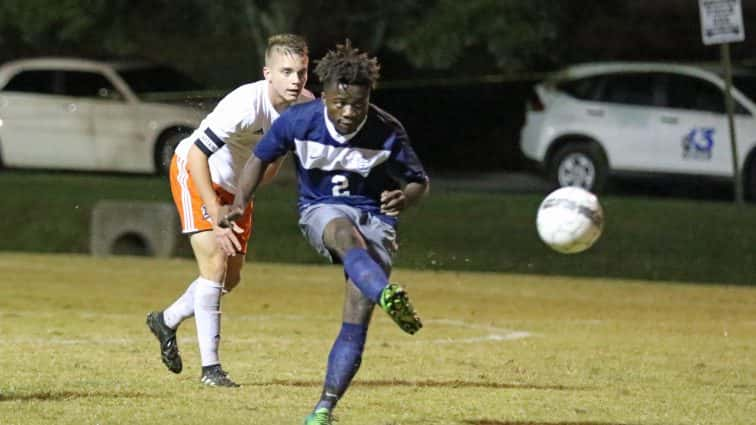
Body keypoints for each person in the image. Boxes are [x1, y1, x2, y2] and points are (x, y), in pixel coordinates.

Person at [217, 40, 429, 424]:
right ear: (326, 96)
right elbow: (258, 158)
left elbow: (419, 181)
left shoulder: (386, 130)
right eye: (339, 103)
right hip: (321, 211)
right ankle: (385, 294)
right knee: (344, 234)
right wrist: (238, 202)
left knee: (356, 314)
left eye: (358, 105)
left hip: (376, 218)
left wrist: (405, 197)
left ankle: (323, 408)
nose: (348, 113)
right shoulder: (300, 121)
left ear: (369, 100)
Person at [145, 33, 312, 387]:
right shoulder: (245, 105)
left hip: (237, 190)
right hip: (196, 175)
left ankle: (166, 320)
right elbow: (195, 155)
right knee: (215, 266)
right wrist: (214, 210)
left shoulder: (303, 108)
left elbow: (272, 163)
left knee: (230, 278)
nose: (295, 80)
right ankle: (211, 370)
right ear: (268, 73)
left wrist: (241, 197)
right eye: (286, 71)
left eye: (301, 72)